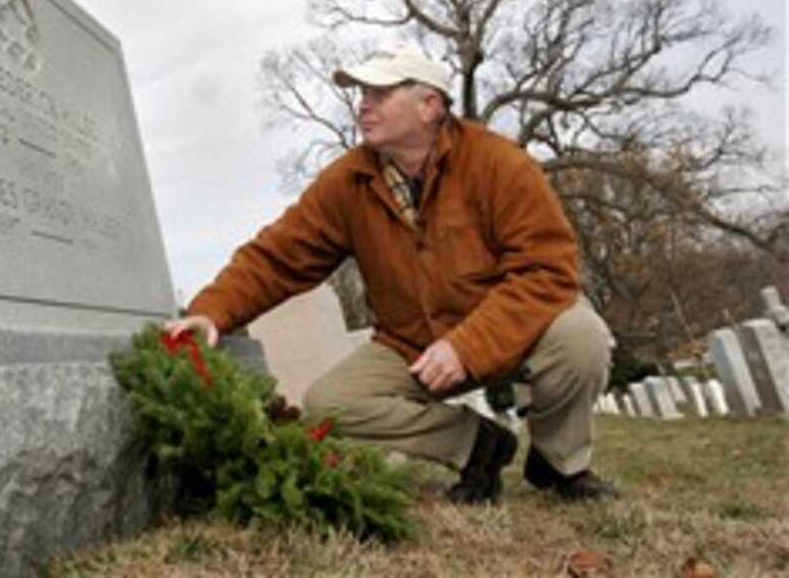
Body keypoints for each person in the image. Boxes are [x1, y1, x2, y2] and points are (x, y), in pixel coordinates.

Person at [166, 43, 617, 504]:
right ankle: (477, 448)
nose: (363, 103)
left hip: (512, 328)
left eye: (380, 92)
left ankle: (562, 464)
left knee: (582, 338)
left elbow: (546, 269)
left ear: (430, 105)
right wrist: (212, 312)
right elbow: (278, 256)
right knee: (331, 405)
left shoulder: (500, 163)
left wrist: (467, 345)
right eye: (362, 92)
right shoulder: (348, 183)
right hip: (413, 342)